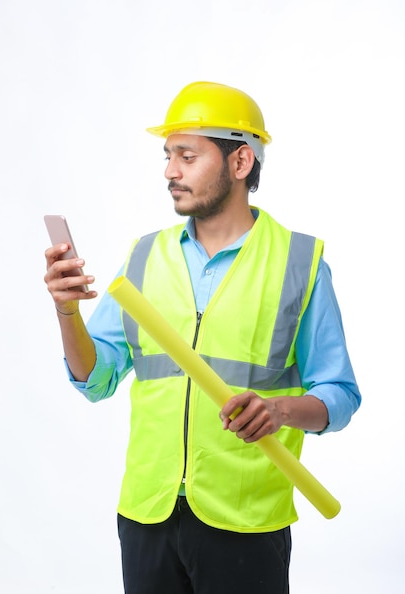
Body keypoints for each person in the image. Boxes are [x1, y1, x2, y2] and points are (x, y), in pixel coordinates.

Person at [44, 80, 361, 594]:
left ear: (240, 163)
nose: (170, 171)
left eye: (187, 156)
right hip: (148, 513)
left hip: (246, 521)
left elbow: (340, 396)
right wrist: (66, 312)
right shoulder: (144, 257)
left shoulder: (299, 264)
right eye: (168, 156)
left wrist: (281, 411)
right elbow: (96, 379)